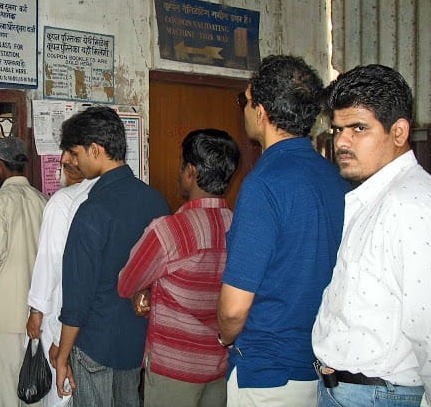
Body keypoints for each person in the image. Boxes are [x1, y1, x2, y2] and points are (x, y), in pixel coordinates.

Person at [217, 55, 349, 406]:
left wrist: (225, 338)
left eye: (244, 101)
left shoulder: (264, 184)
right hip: (322, 369)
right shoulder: (336, 179)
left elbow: (233, 308)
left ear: (260, 112)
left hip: (269, 375)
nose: (243, 110)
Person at [312, 64, 431, 407]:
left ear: (398, 132)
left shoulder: (409, 204)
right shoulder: (374, 196)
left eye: (358, 128)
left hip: (378, 395)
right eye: (337, 130)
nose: (342, 141)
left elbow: (426, 324)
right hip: (351, 390)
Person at [53, 106, 170, 407]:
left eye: (74, 152)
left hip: (95, 343)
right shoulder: (156, 201)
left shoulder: (93, 210)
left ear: (95, 150)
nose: (69, 160)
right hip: (135, 342)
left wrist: (63, 356)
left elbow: (78, 296)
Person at [118, 128, 240, 407]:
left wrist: (145, 289)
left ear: (192, 172)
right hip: (221, 366)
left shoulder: (170, 231)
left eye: (182, 166)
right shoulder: (239, 226)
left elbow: (127, 283)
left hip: (174, 368)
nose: (179, 173)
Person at [0, 136, 47, 407]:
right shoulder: (42, 200)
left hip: (4, 313)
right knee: (34, 386)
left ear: (1, 165)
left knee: (4, 387)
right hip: (36, 312)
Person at [26, 151, 98, 407]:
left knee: (59, 391)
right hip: (95, 319)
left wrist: (36, 310)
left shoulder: (61, 202)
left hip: (61, 315)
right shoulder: (102, 195)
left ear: (70, 170)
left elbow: (50, 263)